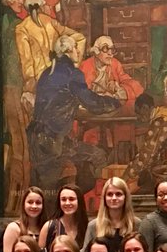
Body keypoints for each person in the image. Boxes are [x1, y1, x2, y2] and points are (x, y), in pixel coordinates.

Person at [26, 37, 122, 188]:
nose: (78, 51)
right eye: (76, 48)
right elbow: (93, 103)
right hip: (54, 145)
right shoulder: (72, 73)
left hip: (36, 141)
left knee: (91, 154)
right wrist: (115, 102)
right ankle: (93, 198)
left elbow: (56, 103)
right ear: (68, 52)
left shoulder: (46, 73)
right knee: (99, 156)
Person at [85, 176, 140, 248]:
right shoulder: (93, 226)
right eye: (110, 194)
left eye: (118, 194)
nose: (114, 198)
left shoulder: (136, 224)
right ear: (104, 198)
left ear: (125, 197)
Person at [2, 187, 46, 252]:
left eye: (38, 203)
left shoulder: (46, 228)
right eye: (30, 202)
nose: (34, 206)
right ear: (23, 204)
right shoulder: (14, 228)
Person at [39, 185, 87, 252]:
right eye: (63, 199)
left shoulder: (87, 227)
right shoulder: (49, 227)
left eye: (71, 199)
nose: (67, 203)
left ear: (79, 201)